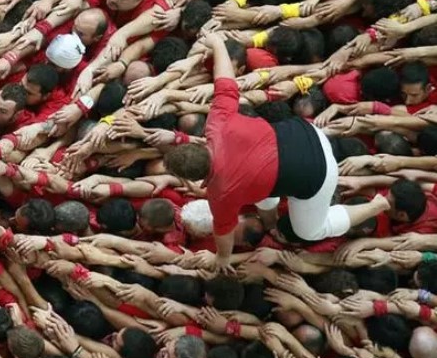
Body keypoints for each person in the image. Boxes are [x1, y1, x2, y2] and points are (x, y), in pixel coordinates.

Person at [162, 32, 390, 271]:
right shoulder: (217, 123)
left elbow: (224, 232)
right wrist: (218, 43)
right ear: (198, 144)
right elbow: (225, 82)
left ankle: (376, 205)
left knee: (310, 230)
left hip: (318, 173)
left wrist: (223, 258)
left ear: (195, 178)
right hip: (308, 131)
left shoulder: (221, 194)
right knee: (261, 191)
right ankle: (270, 221)